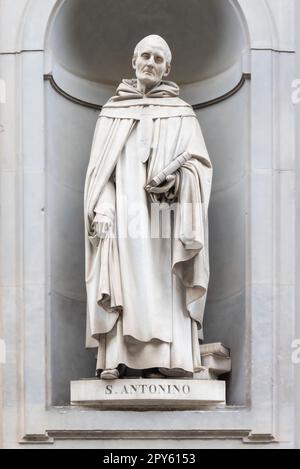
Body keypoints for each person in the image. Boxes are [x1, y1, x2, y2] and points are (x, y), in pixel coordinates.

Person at [84, 35, 212, 380]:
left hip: (166, 217)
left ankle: (169, 361)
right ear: (134, 60)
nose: (151, 63)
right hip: (123, 215)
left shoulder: (182, 113)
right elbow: (100, 175)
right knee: (125, 279)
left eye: (159, 59)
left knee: (162, 282)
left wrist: (176, 180)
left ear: (167, 68)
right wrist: (104, 209)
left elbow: (199, 166)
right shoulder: (112, 112)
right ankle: (116, 358)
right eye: (146, 55)